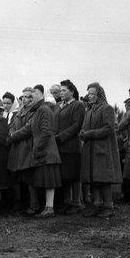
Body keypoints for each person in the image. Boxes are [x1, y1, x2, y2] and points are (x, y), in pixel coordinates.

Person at [10, 86, 61, 218]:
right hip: (44, 150)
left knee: (49, 181)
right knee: (47, 180)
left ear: (40, 96)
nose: (29, 98)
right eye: (28, 96)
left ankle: (49, 208)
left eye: (33, 95)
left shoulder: (43, 109)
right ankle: (47, 207)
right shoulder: (40, 109)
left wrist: (37, 147)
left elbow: (46, 131)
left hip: (47, 151)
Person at [80, 82, 122, 218]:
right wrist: (82, 132)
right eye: (89, 94)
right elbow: (85, 128)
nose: (90, 96)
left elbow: (109, 128)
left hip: (102, 149)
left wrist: (89, 134)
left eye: (92, 94)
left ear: (99, 95)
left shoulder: (107, 109)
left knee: (103, 178)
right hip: (90, 150)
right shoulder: (89, 110)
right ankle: (97, 205)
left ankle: (109, 206)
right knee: (94, 178)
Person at [53, 79, 85, 214]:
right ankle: (67, 202)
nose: (61, 93)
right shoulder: (58, 106)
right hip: (59, 146)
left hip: (71, 146)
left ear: (72, 92)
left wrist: (61, 137)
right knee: (64, 175)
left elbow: (77, 125)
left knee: (74, 176)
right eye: (60, 91)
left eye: (64, 90)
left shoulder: (77, 105)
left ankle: (77, 203)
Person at [6, 90, 36, 212]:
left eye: (28, 97)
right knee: (16, 176)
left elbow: (28, 129)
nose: (25, 99)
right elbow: (12, 126)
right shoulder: (17, 112)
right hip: (16, 147)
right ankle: (19, 203)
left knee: (29, 178)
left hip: (27, 147)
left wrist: (14, 135)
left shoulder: (34, 112)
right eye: (23, 97)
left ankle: (34, 204)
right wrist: (12, 133)